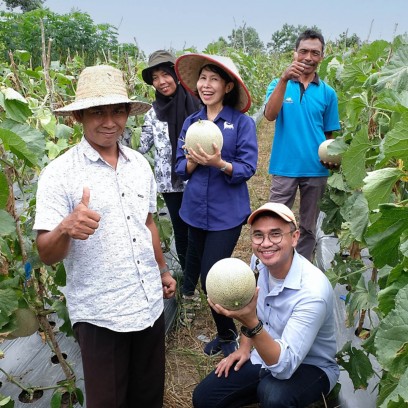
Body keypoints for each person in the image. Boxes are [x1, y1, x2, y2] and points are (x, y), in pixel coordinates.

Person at [33, 65, 177, 408]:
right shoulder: (59, 174)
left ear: (128, 114)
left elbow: (148, 224)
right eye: (97, 111)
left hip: (147, 305)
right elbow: (45, 253)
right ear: (79, 117)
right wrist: (66, 227)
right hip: (101, 314)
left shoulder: (139, 165)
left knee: (147, 396)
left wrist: (163, 271)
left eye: (117, 110)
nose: (109, 121)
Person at [193, 202, 339, 408]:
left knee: (273, 395)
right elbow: (254, 306)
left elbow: (285, 366)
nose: (266, 243)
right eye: (258, 235)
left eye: (276, 234)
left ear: (295, 237)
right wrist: (244, 347)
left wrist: (249, 321)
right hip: (265, 352)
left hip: (311, 366)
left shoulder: (313, 292)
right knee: (205, 398)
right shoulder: (259, 262)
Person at [175, 54, 258, 357]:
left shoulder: (242, 123)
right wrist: (194, 163)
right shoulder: (191, 122)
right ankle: (226, 335)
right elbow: (179, 168)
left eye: (213, 79)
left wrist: (220, 163)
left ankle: (233, 335)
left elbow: (248, 168)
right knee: (202, 276)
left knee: (214, 279)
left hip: (227, 215)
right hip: (194, 211)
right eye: (202, 79)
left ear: (227, 86)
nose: (206, 85)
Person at [264, 29, 340, 261]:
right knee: (275, 221)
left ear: (322, 57)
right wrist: (285, 79)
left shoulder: (328, 93)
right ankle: (274, 265)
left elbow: (329, 135)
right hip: (284, 166)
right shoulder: (279, 84)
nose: (308, 57)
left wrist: (333, 160)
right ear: (295, 53)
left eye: (315, 53)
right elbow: (269, 115)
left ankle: (302, 268)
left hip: (316, 168)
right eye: (304, 51)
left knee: (308, 226)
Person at [139, 50, 202, 325]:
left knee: (199, 231)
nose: (162, 81)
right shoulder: (152, 114)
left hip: (199, 180)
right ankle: (190, 291)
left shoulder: (198, 105)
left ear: (176, 75)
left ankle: (197, 281)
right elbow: (140, 148)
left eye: (166, 74)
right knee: (181, 233)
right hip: (171, 184)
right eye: (155, 78)